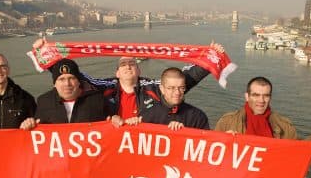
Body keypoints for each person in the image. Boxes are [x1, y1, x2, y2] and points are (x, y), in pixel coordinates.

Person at [32, 38, 224, 120]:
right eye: (123, 64)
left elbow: (182, 81)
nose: (128, 66)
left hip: (142, 146)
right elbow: (73, 77)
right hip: (114, 145)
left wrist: (209, 59)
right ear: (116, 73)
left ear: (139, 70)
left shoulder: (151, 87)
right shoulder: (105, 87)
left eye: (132, 64)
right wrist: (48, 57)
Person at [214, 76, 311, 145]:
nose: (261, 100)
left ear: (270, 97)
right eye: (256, 95)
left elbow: (296, 149)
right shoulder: (227, 122)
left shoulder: (284, 126)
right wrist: (222, 140)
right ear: (247, 96)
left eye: (266, 96)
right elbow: (210, 154)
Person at [35, 58, 112, 124]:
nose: (67, 84)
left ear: (79, 81)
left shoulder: (97, 100)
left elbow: (111, 122)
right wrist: (29, 124)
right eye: (61, 79)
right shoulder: (43, 102)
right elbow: (36, 129)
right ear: (54, 84)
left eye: (71, 78)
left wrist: (114, 120)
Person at [139, 67, 209, 130]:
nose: (177, 92)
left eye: (181, 88)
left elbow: (207, 141)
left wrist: (185, 131)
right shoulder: (147, 114)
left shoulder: (198, 116)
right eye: (171, 88)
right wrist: (133, 125)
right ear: (162, 89)